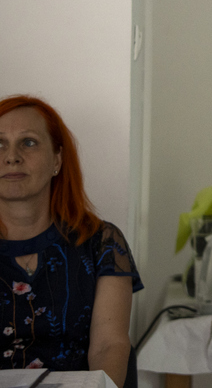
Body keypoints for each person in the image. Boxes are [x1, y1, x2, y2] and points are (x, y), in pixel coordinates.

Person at [0, 95, 142, 387]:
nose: (11, 156)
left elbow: (109, 346)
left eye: (28, 142)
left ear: (57, 160)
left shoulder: (101, 243)